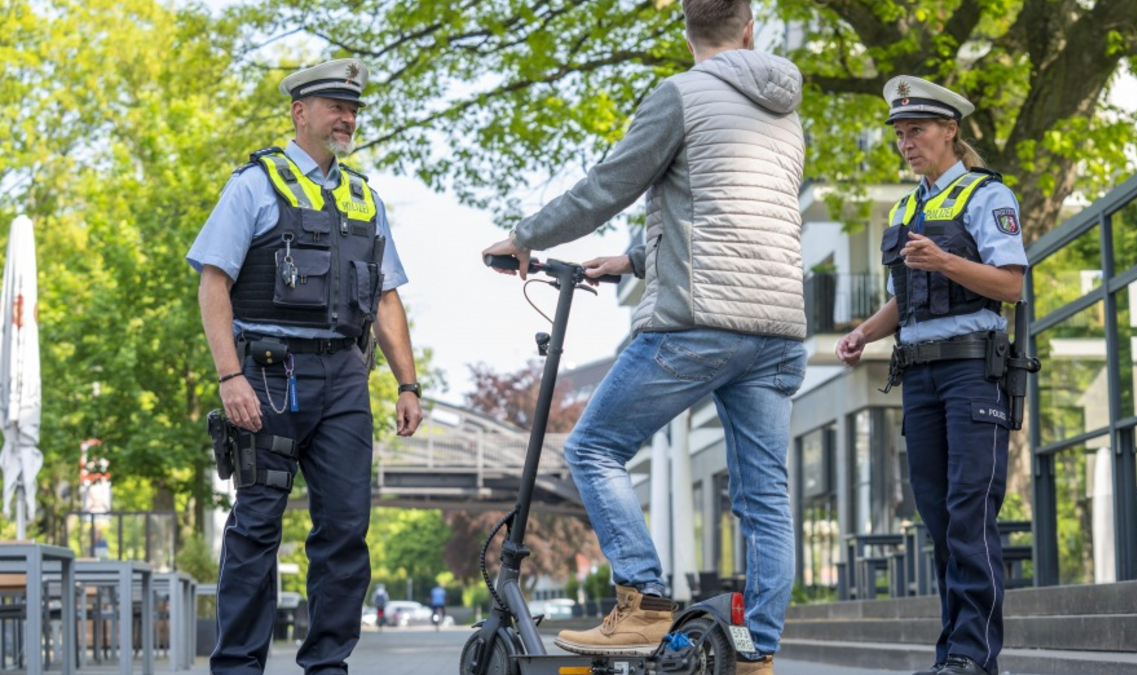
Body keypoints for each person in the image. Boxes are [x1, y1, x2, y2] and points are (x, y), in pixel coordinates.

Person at [482, 1, 806, 672]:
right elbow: (721, 201)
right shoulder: (785, 112)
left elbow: (609, 185)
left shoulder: (681, 95)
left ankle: (643, 598)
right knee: (765, 500)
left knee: (596, 444)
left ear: (688, 33)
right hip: (776, 328)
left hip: (699, 322)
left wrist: (525, 236)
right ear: (749, 32)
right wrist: (633, 257)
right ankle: (756, 654)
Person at [189, 58, 424, 675]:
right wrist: (228, 376)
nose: (347, 117)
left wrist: (408, 383)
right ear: (301, 113)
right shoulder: (254, 186)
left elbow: (387, 298)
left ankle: (328, 666)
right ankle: (238, 667)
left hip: (346, 377)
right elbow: (214, 282)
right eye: (335, 107)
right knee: (257, 526)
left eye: (353, 109)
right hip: (268, 374)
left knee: (345, 530)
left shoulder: (364, 199)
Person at [834, 76, 1028, 675]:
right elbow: (910, 297)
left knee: (969, 514)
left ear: (950, 130)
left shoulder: (986, 196)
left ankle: (972, 656)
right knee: (940, 520)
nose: (906, 142)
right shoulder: (904, 208)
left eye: (916, 130)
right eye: (899, 133)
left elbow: (1012, 285)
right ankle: (954, 657)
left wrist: (946, 258)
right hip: (917, 379)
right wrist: (865, 332)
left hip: (973, 373)